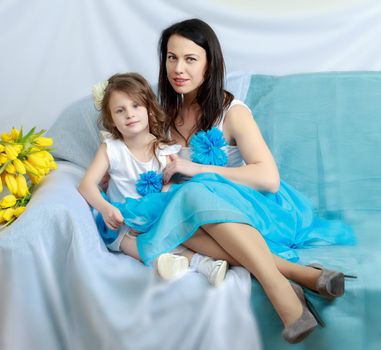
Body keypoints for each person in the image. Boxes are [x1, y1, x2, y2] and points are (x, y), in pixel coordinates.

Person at [109, 19, 356, 344]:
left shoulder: (232, 113)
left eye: (190, 59)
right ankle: (301, 275)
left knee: (193, 191)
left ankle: (278, 288)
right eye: (171, 57)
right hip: (204, 223)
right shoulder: (161, 115)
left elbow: (268, 179)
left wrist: (200, 171)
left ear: (209, 64)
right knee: (173, 207)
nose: (178, 68)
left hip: (259, 212)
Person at [78, 72, 228, 285]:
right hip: (121, 219)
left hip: (153, 218)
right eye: (120, 111)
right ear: (111, 119)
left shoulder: (164, 149)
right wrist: (105, 208)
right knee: (127, 241)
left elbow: (169, 186)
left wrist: (155, 213)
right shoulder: (111, 149)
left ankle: (206, 265)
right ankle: (161, 262)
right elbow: (86, 185)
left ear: (149, 109)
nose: (129, 114)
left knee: (172, 233)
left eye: (136, 106)